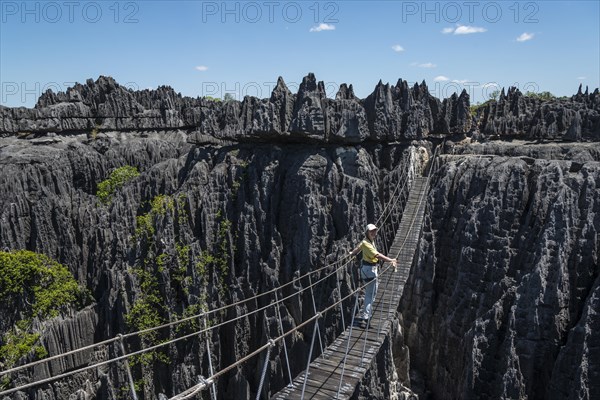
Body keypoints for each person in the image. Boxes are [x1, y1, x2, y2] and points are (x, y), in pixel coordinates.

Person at [349, 224, 397, 323]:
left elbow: (358, 248)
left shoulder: (367, 241)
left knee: (370, 293)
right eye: (371, 231)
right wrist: (391, 260)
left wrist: (352, 253)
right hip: (369, 271)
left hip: (367, 270)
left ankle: (366, 314)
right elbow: (377, 255)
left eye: (375, 231)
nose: (374, 233)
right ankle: (366, 317)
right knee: (371, 294)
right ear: (367, 232)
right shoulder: (367, 243)